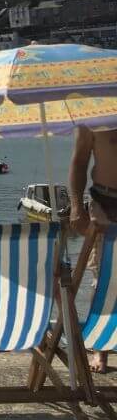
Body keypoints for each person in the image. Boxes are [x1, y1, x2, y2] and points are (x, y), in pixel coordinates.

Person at [69, 124, 117, 372]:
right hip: (104, 202)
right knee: (102, 278)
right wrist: (76, 207)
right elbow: (79, 162)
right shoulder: (93, 113)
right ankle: (101, 350)